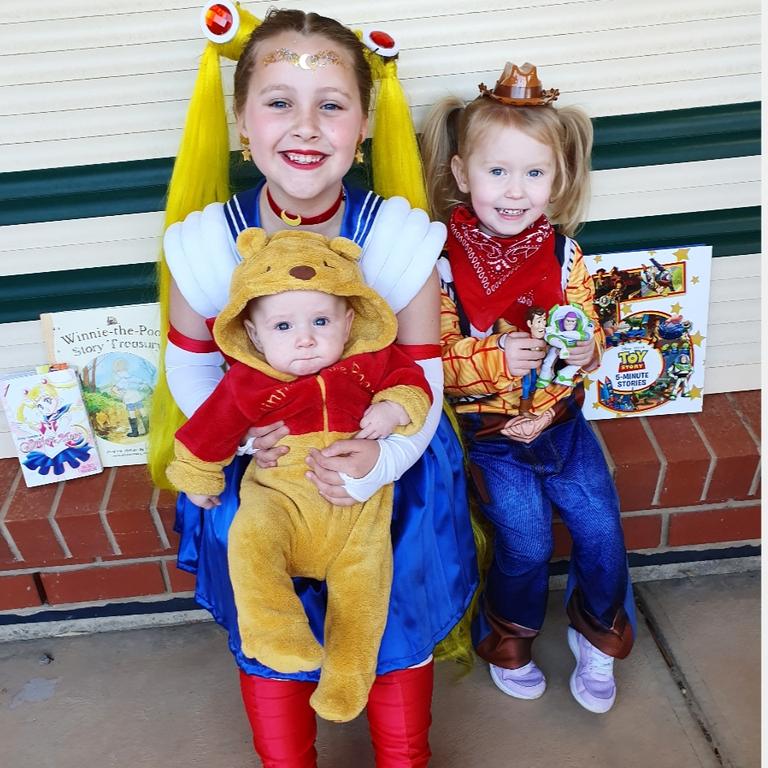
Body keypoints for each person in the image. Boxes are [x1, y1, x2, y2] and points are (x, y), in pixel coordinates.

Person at [149, 6, 478, 766]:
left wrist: (382, 462)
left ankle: (403, 755)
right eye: (278, 103)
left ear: (362, 126)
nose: (305, 127)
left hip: (385, 464)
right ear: (240, 122)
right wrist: (238, 439)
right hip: (264, 474)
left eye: (331, 104)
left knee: (391, 602)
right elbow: (195, 364)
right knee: (266, 602)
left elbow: (421, 375)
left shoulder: (398, 239)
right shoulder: (203, 244)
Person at [421, 61, 635, 714]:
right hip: (492, 439)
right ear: (461, 174)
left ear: (557, 179)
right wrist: (494, 355)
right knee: (526, 541)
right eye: (497, 171)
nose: (516, 191)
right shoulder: (441, 267)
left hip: (561, 424)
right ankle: (508, 638)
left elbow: (589, 331)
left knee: (600, 529)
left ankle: (598, 632)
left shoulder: (564, 256)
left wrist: (583, 349)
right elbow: (431, 359)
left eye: (534, 173)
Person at [166, 227, 433, 724]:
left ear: (349, 319)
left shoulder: (367, 363)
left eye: (320, 320)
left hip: (358, 514)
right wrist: (200, 478)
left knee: (366, 592)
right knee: (251, 542)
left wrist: (395, 408)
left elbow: (413, 381)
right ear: (253, 334)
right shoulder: (250, 381)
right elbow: (209, 429)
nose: (306, 338)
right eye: (283, 327)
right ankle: (274, 631)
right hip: (280, 500)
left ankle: (347, 681)